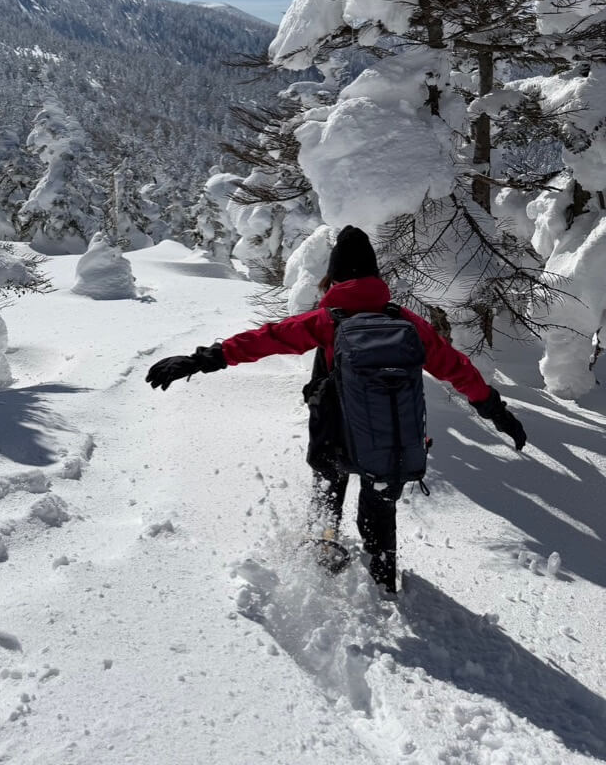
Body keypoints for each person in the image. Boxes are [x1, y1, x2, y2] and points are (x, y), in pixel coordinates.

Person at [146, 225, 527, 593]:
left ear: (335, 275)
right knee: (379, 509)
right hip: (388, 442)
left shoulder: (327, 320)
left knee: (327, 497)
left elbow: (267, 339)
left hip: (333, 439)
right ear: (375, 275)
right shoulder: (405, 322)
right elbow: (456, 368)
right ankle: (382, 582)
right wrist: (495, 411)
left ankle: (323, 560)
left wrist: (201, 361)